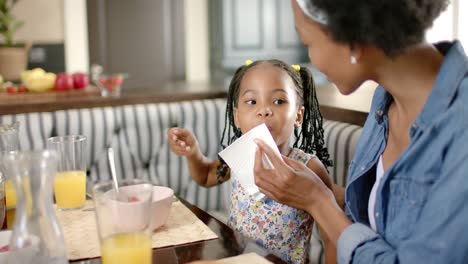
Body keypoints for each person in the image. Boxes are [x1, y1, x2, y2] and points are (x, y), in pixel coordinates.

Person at [253, 0, 468, 263]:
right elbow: (383, 213)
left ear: (351, 39)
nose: (311, 59)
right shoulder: (386, 100)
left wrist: (318, 202)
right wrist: (318, 189)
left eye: (309, 43)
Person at [168, 59, 333, 263]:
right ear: (237, 117)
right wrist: (193, 153)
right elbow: (205, 175)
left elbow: (331, 237)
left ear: (298, 116)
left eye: (279, 101)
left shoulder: (309, 168)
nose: (264, 110)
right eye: (252, 101)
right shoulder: (240, 154)